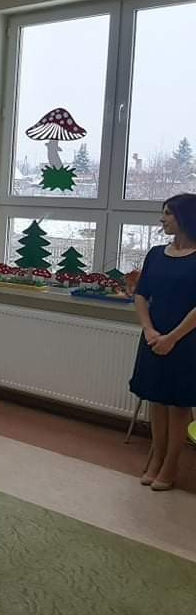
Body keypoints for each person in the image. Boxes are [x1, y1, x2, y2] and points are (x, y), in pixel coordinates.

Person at [130, 193, 196, 491]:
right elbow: (142, 294)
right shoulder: (156, 254)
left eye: (168, 213)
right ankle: (156, 458)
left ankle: (171, 465)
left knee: (178, 404)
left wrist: (173, 337)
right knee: (156, 399)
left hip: (186, 341)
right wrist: (149, 330)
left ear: (185, 218)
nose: (163, 218)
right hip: (154, 337)